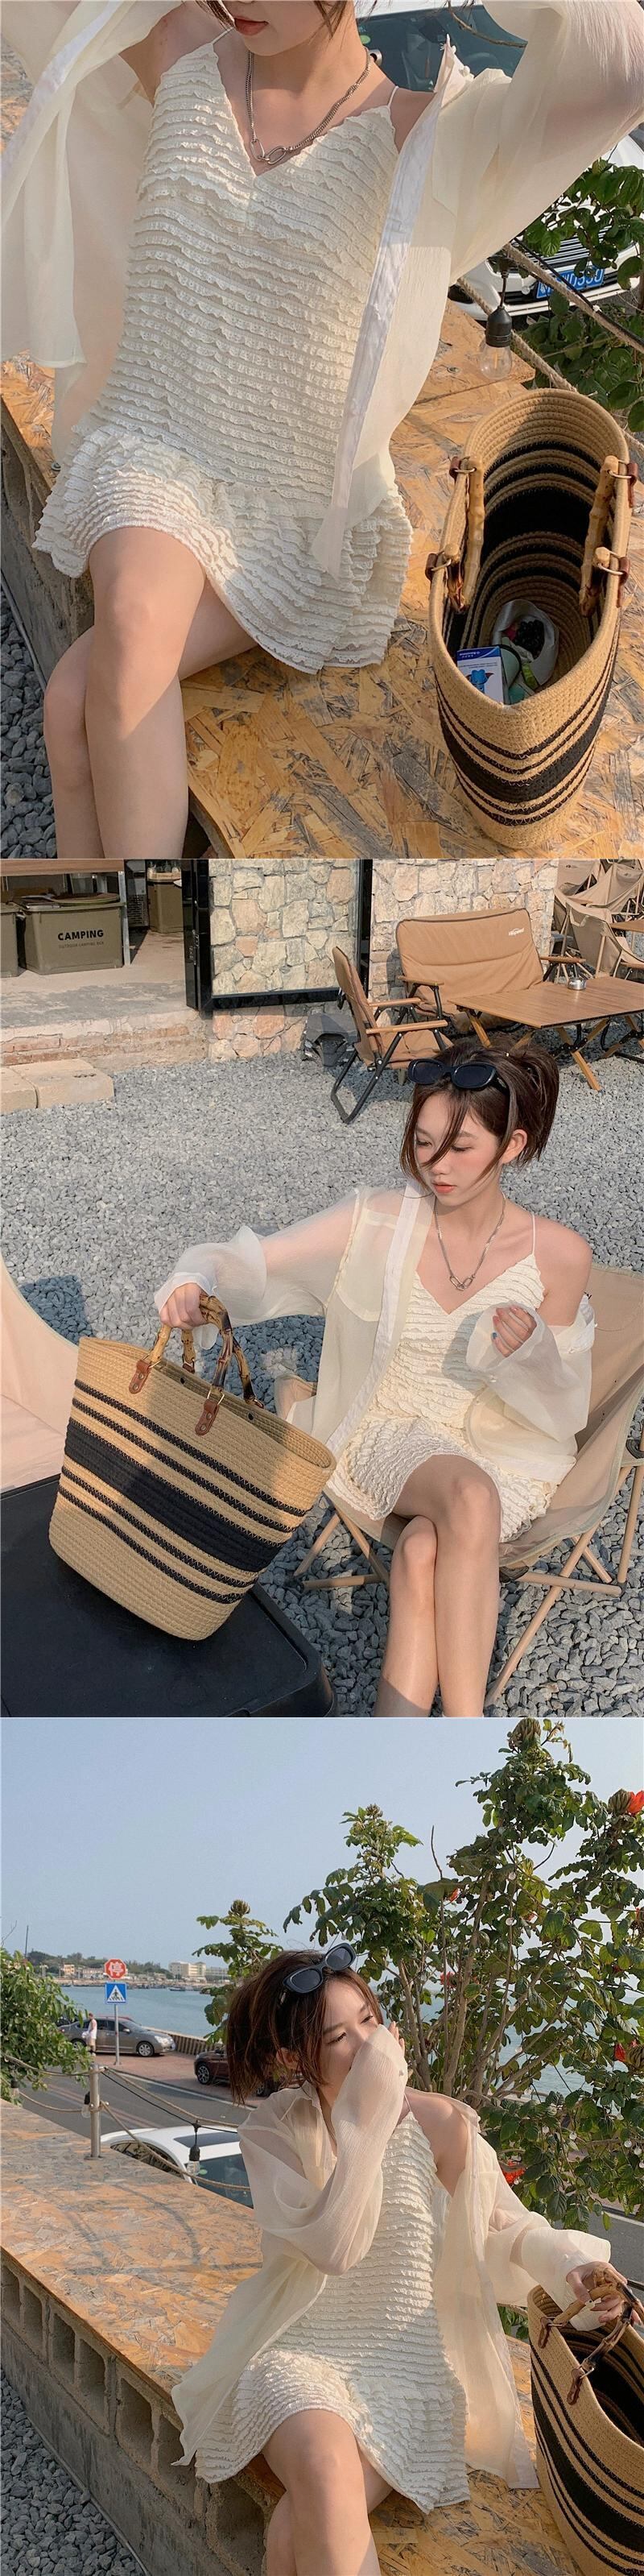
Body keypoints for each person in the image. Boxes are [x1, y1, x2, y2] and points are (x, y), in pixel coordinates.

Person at [2, 0, 643, 863]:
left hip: (292, 514)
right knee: (135, 611)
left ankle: (96, 929)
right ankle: (146, 936)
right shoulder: (177, 46)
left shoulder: (420, 131)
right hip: (153, 444)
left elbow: (621, 67)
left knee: (71, 698)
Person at [155, 1037, 596, 1718]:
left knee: (422, 1551)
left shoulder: (561, 1255)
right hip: (390, 1429)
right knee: (467, 1497)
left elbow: (564, 1411)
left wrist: (533, 1353)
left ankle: (400, 1757)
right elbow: (256, 1259)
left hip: (506, 1450)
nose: (437, 1166)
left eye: (461, 1148)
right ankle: (472, 1732)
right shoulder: (379, 1220)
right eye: (423, 1142)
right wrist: (194, 1277)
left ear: (512, 1147)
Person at [171, 1945, 628, 2576]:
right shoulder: (274, 2133)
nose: (370, 2046)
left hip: (408, 2372)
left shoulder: (439, 2122)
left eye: (369, 2020)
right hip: (300, 2353)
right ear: (292, 2058)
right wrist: (371, 2111)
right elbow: (336, 2246)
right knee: (323, 2468)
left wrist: (568, 2262)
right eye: (339, 2037)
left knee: (290, 2537)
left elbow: (503, 2222)